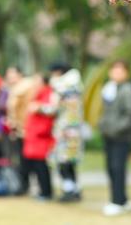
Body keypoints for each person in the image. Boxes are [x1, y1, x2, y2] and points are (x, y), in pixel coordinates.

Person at [99, 60, 131, 216]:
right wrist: (102, 125)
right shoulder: (109, 89)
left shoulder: (127, 90)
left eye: (120, 71)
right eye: (114, 70)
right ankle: (121, 199)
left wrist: (116, 128)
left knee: (118, 168)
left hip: (121, 136)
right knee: (110, 168)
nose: (116, 73)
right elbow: (105, 112)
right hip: (108, 135)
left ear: (126, 73)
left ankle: (117, 201)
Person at [50, 63, 84, 202]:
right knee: (70, 163)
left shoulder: (67, 89)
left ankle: (69, 190)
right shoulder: (74, 87)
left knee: (64, 163)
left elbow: (64, 112)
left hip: (67, 132)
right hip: (73, 132)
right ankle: (74, 189)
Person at [22, 73, 58, 201]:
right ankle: (41, 191)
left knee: (42, 167)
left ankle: (46, 192)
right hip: (33, 137)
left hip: (41, 137)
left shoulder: (49, 95)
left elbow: (50, 116)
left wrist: (39, 131)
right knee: (35, 166)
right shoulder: (36, 95)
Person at [6, 66, 38, 195]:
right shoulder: (17, 88)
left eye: (12, 75)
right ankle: (24, 184)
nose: (9, 78)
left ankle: (26, 185)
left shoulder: (24, 87)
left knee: (28, 159)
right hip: (20, 129)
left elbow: (15, 108)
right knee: (23, 158)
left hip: (27, 129)